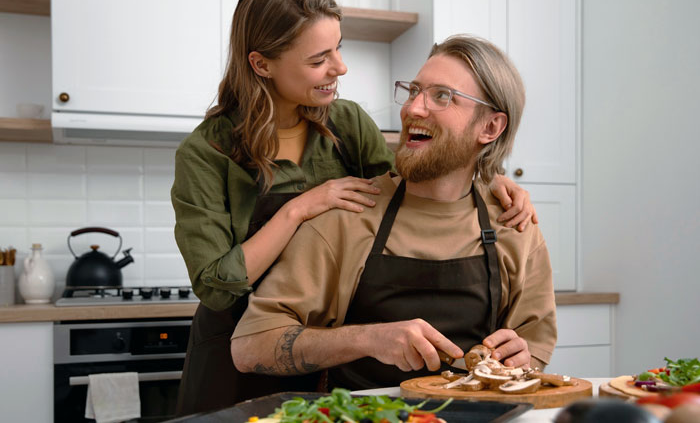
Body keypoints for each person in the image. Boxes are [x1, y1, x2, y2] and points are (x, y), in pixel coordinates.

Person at [172, 0, 536, 414]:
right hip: (235, 349)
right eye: (319, 58)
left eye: (338, 48)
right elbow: (216, 286)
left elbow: (411, 180)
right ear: (262, 63)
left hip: (321, 347)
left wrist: (488, 173)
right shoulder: (206, 153)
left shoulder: (344, 123)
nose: (340, 68)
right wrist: (298, 210)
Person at [229, 34, 557, 391]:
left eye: (442, 96)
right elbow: (249, 347)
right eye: (414, 91)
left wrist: (521, 358)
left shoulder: (515, 223)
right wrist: (367, 339)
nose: (413, 109)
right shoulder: (347, 216)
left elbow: (534, 348)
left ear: (490, 127)